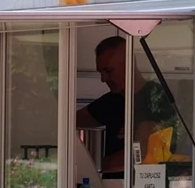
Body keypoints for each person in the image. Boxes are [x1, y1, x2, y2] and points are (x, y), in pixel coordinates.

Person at [75, 37, 175, 173]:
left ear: (129, 64)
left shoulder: (153, 97)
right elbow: (69, 122)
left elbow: (140, 155)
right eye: (101, 72)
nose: (103, 79)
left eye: (108, 71)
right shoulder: (113, 99)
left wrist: (86, 166)